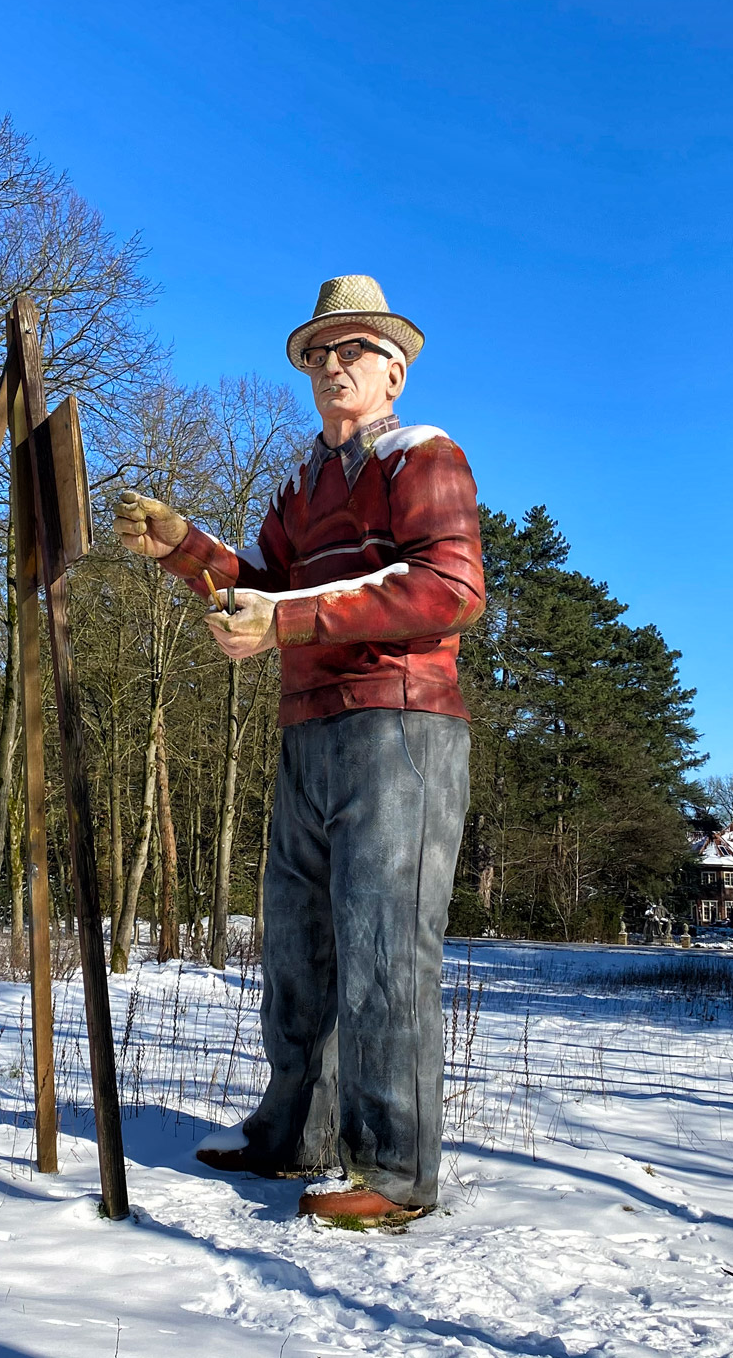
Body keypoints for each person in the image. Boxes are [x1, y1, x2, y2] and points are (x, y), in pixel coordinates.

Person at [113, 274, 484, 1230]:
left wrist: (291, 619)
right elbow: (262, 587)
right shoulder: (306, 482)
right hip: (306, 727)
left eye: (351, 350)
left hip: (400, 727)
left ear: (394, 369)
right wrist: (182, 547)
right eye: (318, 354)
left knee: (384, 948)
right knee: (298, 948)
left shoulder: (424, 457)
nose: (331, 367)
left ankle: (396, 1171)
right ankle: (295, 1136)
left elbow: (450, 588)